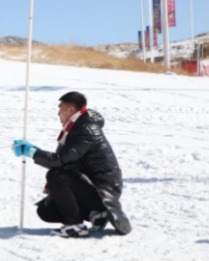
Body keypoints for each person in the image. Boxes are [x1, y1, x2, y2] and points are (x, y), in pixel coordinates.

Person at [12, 92, 132, 238]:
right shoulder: (77, 126)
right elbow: (65, 159)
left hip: (103, 190)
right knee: (46, 211)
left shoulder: (86, 130)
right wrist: (35, 151)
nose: (58, 113)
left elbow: (60, 160)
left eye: (60, 108)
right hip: (92, 186)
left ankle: (76, 225)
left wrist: (32, 153)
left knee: (56, 176)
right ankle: (98, 213)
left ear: (71, 110)